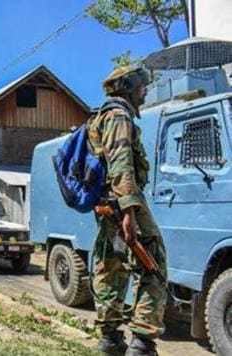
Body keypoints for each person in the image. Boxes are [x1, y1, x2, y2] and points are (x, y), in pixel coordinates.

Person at [88, 66, 167, 356]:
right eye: (142, 86)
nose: (145, 91)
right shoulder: (119, 115)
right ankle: (143, 345)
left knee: (112, 267)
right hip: (122, 203)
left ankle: (110, 340)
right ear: (129, 85)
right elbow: (120, 162)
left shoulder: (101, 115)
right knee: (154, 264)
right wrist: (130, 211)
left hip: (107, 206)